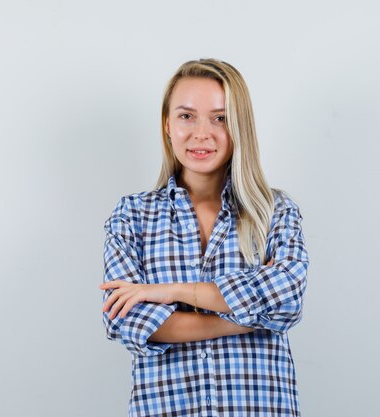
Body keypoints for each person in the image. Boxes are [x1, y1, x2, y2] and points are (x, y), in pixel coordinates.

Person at [99, 58, 309, 417]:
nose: (201, 133)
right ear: (167, 124)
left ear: (239, 126)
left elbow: (287, 297)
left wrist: (169, 292)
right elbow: (126, 320)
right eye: (186, 116)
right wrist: (249, 318)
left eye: (220, 118)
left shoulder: (274, 212)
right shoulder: (131, 216)